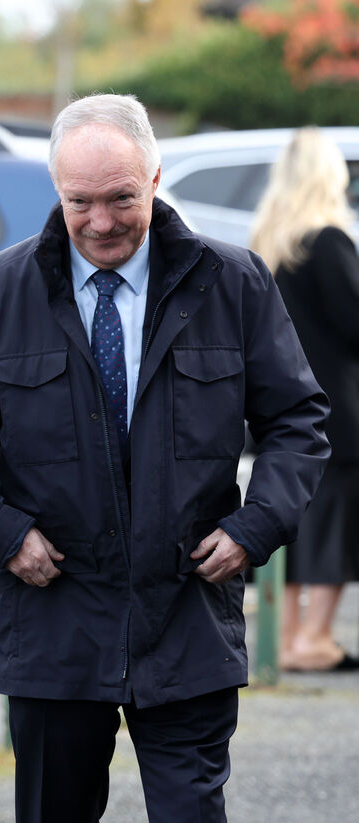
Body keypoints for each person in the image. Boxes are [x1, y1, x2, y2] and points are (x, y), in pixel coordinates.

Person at [0, 94, 330, 823]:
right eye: (81, 201)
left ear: (156, 177)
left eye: (121, 198)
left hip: (188, 615)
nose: (101, 222)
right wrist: (3, 532)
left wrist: (255, 527)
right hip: (54, 622)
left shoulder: (233, 284)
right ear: (55, 190)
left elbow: (298, 420)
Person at [250, 127, 359, 672]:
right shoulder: (329, 241)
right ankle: (313, 637)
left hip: (278, 402)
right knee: (337, 520)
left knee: (293, 515)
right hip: (338, 407)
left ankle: (285, 633)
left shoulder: (266, 241)